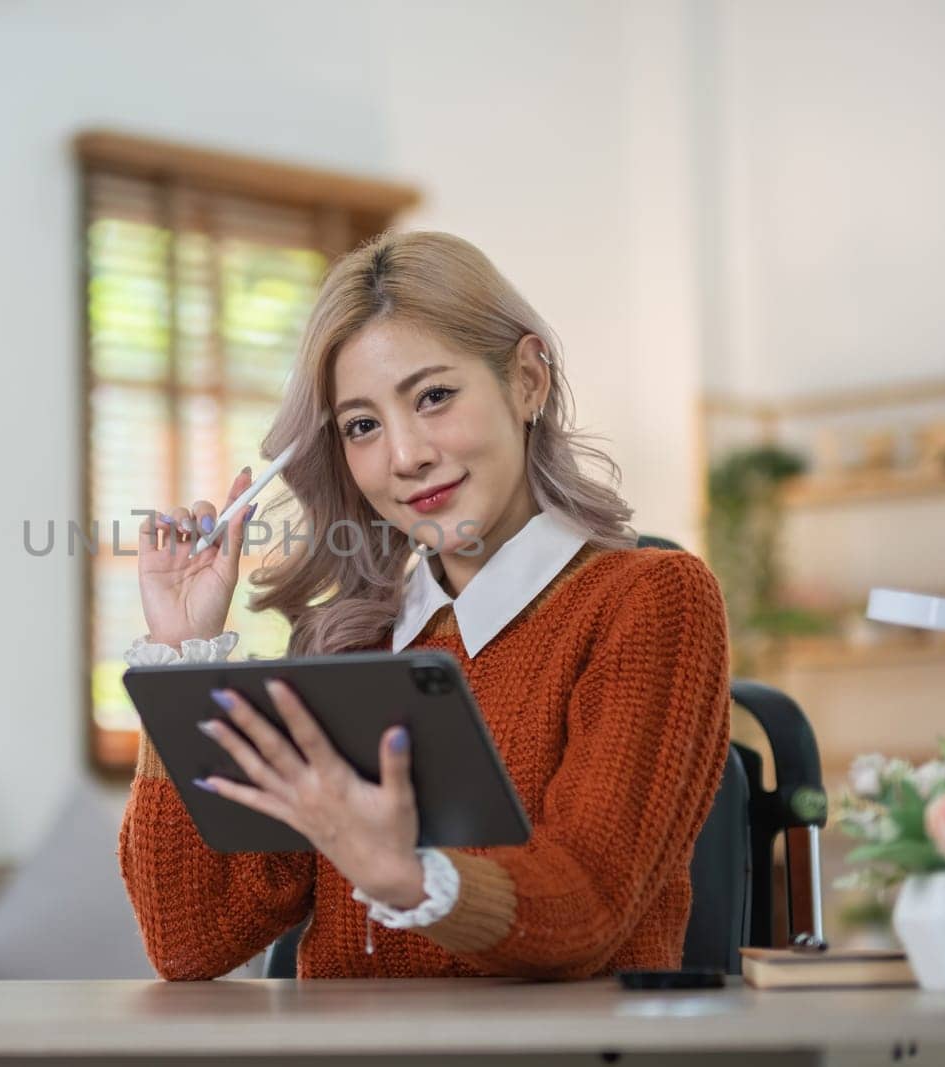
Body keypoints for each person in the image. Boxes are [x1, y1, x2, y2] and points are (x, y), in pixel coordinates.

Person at [119, 230, 730, 981]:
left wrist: (405, 874)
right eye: (363, 426)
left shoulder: (650, 601)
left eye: (434, 396)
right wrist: (179, 651)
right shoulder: (351, 642)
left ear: (528, 379)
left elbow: (588, 908)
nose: (405, 455)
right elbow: (191, 940)